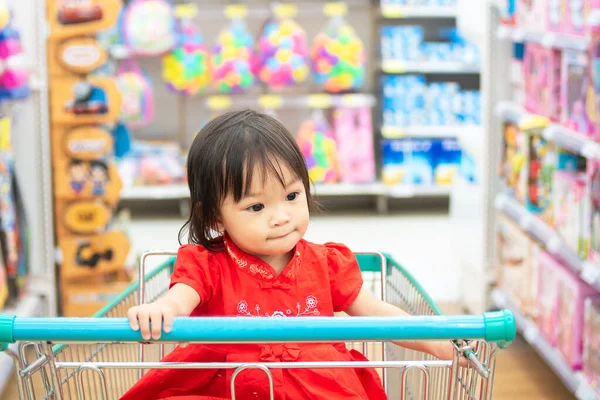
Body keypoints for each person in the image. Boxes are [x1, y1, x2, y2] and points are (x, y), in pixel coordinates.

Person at [122, 110, 459, 400]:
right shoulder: (207, 265)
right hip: (229, 385)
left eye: (292, 195)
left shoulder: (326, 264)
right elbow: (179, 300)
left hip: (317, 386)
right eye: (256, 206)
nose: (281, 216)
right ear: (214, 216)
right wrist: (160, 310)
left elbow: (377, 313)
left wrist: (436, 340)